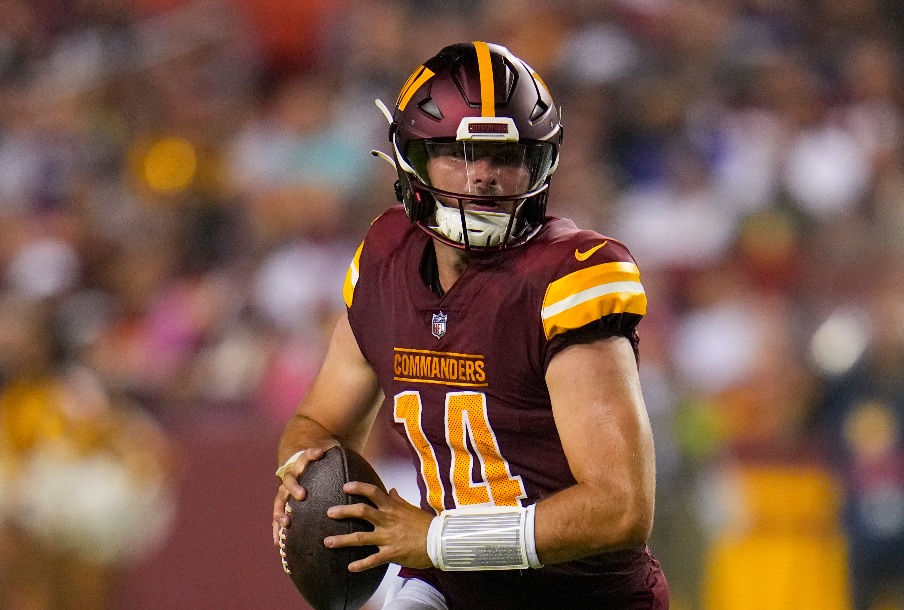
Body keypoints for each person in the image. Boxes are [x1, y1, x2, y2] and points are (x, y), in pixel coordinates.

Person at [272, 41, 668, 609]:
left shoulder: (567, 278)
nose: (483, 176)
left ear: (538, 165)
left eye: (504, 157)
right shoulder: (386, 262)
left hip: (580, 594)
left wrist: (439, 539)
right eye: (460, 153)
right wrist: (303, 476)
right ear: (412, 158)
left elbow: (620, 508)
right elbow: (317, 423)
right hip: (450, 585)